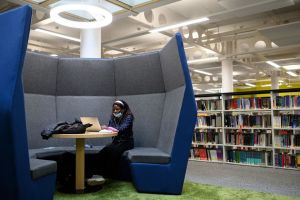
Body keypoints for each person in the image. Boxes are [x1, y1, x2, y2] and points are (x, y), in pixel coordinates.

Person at [87, 100, 134, 185]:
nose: (115, 111)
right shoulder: (113, 117)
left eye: (117, 109)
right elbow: (110, 127)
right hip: (116, 141)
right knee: (103, 151)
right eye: (114, 109)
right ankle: (97, 174)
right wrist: (103, 128)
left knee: (113, 152)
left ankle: (107, 175)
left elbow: (121, 129)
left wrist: (108, 127)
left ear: (123, 109)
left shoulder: (129, 117)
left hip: (126, 142)